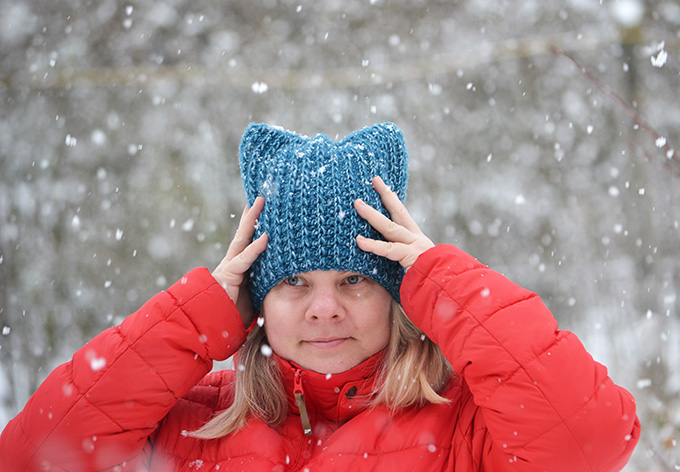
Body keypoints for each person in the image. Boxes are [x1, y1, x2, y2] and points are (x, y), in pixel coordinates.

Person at [0, 122, 639, 471]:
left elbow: (591, 443)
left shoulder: (467, 425)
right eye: (294, 283)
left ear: (398, 296)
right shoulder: (190, 426)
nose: (324, 308)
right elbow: (33, 457)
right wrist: (198, 316)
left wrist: (440, 281)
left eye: (355, 280)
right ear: (255, 301)